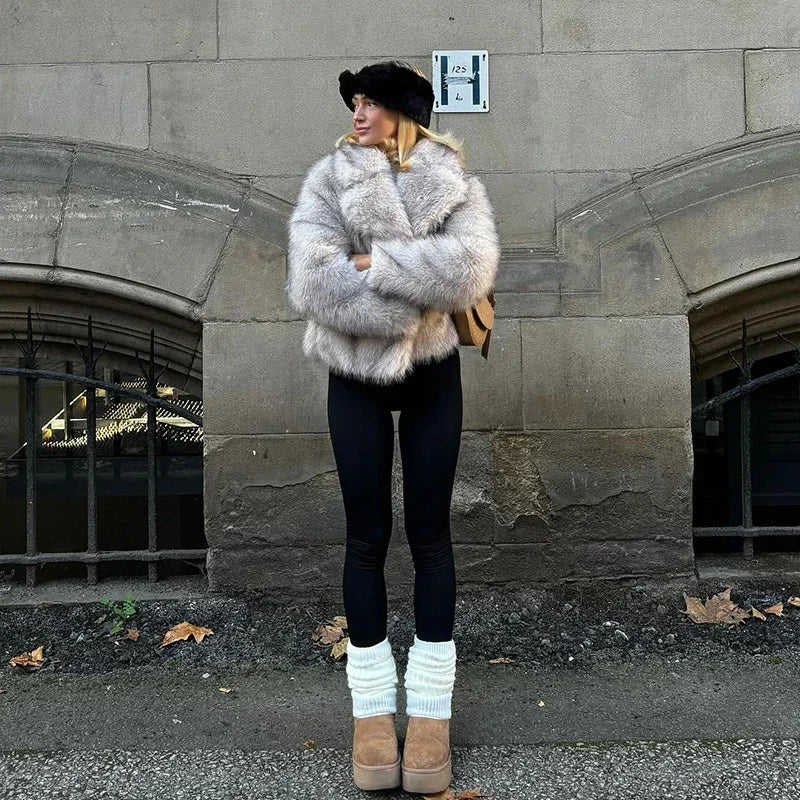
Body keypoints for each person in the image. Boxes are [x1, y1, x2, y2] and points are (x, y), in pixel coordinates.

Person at [285, 59, 500, 793]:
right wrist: (413, 279)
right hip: (354, 377)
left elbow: (471, 269)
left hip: (433, 374)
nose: (358, 112)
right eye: (355, 101)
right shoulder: (328, 180)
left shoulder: (454, 180)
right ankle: (372, 715)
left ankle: (431, 715)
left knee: (431, 535)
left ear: (405, 114)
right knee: (366, 536)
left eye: (372, 102)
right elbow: (313, 281)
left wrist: (373, 262)